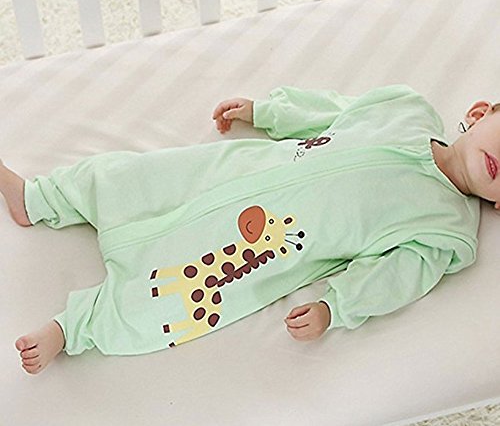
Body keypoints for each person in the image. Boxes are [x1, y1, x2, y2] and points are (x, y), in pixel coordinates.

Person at [3, 84, 498, 375]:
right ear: (480, 113)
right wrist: (267, 111)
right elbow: (330, 112)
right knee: (135, 177)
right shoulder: (407, 108)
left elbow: (396, 278)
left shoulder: (447, 229)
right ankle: (40, 198)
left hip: (263, 245)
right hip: (238, 170)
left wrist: (336, 308)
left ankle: (72, 328)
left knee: (171, 298)